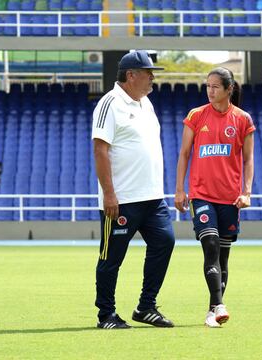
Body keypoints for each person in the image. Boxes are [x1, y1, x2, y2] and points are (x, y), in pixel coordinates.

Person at [92, 50, 175, 330]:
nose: (152, 78)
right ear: (131, 75)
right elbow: (100, 150)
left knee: (165, 242)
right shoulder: (109, 104)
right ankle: (106, 315)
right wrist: (109, 194)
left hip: (153, 198)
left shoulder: (146, 103)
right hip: (122, 200)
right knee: (111, 258)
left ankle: (146, 307)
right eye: (148, 73)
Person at [174, 67, 255, 328]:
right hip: (201, 195)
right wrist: (179, 189)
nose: (210, 91)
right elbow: (184, 153)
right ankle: (220, 305)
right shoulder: (196, 116)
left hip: (230, 198)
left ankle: (212, 309)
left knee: (223, 257)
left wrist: (246, 192)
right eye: (207, 86)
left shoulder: (242, 119)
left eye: (215, 87)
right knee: (210, 245)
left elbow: (249, 158)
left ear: (229, 89)